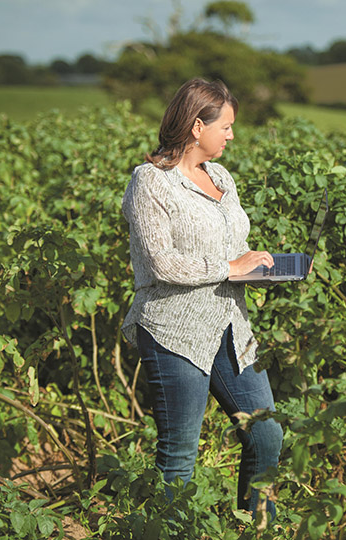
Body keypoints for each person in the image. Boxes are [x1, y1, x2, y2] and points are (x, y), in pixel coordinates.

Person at [120, 78, 283, 519]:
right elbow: (162, 265)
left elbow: (230, 247)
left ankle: (258, 525)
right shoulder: (150, 182)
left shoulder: (220, 176)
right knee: (178, 457)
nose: (231, 135)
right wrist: (230, 268)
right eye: (226, 126)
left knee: (267, 436)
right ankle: (170, 530)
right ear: (197, 126)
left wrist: (259, 268)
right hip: (173, 330)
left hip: (230, 325)